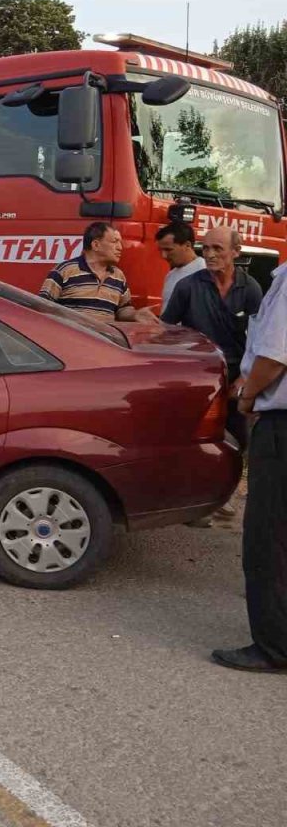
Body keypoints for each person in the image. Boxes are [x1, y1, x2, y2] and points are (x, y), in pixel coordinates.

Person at [212, 257, 287, 673]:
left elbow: (275, 355)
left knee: (268, 538)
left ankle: (274, 647)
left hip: (281, 424)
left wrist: (247, 396)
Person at [163, 225, 263, 446]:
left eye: (217, 248)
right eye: (205, 248)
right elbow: (166, 331)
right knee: (195, 441)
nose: (209, 254)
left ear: (236, 251)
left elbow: (260, 338)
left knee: (237, 441)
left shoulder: (250, 288)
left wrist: (244, 379)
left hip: (235, 376)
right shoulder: (187, 286)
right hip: (198, 375)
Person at [39, 222, 157, 323]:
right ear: (96, 245)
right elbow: (42, 307)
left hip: (104, 344)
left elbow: (123, 309)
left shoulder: (118, 276)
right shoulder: (65, 270)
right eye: (115, 242)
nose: (120, 247)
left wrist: (135, 315)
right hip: (71, 342)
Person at [155, 222, 206, 313]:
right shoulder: (170, 275)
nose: (164, 255)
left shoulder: (204, 272)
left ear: (187, 245)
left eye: (168, 249)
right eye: (161, 250)